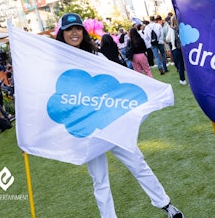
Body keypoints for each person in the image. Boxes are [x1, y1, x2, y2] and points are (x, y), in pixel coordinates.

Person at [55, 13, 183, 218]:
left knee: (138, 162)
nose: (74, 33)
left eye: (77, 28)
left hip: (110, 120)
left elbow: (116, 78)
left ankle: (166, 205)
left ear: (83, 31)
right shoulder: (57, 63)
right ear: (62, 33)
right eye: (69, 29)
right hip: (87, 129)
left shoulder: (95, 55)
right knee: (99, 179)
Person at [166, 15, 186, 85]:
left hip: (176, 49)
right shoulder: (182, 27)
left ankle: (182, 80)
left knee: (180, 65)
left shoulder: (171, 29)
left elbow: (167, 39)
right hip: (184, 48)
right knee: (187, 64)